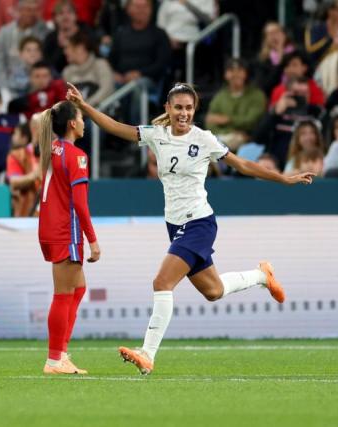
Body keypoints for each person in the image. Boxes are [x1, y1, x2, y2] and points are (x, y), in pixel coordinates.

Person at [66, 82, 315, 375]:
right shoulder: (157, 135)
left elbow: (243, 165)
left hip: (198, 223)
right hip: (175, 225)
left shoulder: (204, 139)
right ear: (167, 109)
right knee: (214, 291)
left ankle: (147, 353)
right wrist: (84, 106)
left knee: (161, 283)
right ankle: (262, 275)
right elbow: (115, 126)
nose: (183, 113)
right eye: (178, 107)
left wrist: (284, 179)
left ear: (194, 110)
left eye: (189, 108)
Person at [37, 100, 99, 375]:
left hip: (51, 227)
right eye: (82, 117)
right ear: (72, 124)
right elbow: (81, 205)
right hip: (66, 230)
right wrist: (93, 240)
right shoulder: (76, 156)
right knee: (63, 294)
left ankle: (61, 353)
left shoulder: (50, 148)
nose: (85, 123)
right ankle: (54, 359)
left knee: (78, 289)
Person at [6, 123, 40, 217]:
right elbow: (14, 181)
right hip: (25, 214)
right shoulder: (16, 155)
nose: (13, 137)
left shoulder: (55, 153)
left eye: (15, 133)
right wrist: (36, 174)